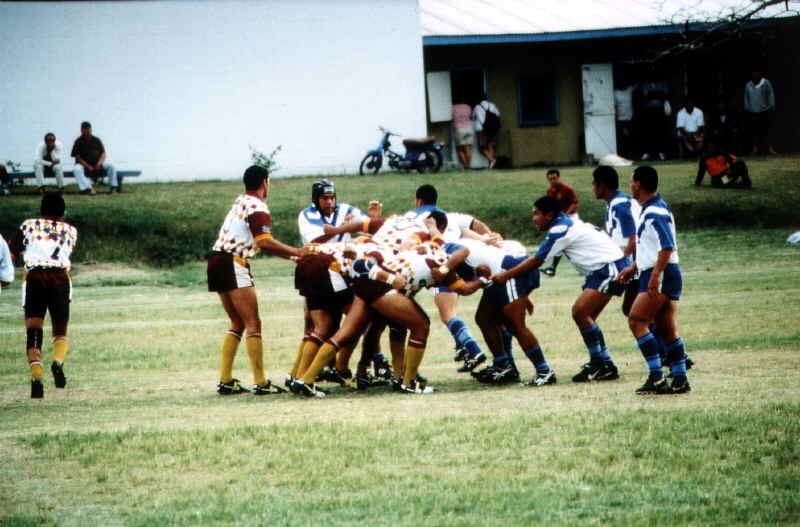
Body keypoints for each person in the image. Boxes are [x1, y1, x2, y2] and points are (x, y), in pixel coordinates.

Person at [494, 194, 631, 383]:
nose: (533, 218)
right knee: (586, 317)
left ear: (549, 215)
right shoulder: (565, 223)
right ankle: (604, 363)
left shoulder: (560, 228)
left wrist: (506, 275)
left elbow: (536, 260)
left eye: (536, 213)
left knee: (580, 312)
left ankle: (600, 363)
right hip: (607, 267)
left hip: (609, 268)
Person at [207, 165, 306, 395]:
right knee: (253, 324)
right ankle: (261, 382)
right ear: (265, 182)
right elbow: (265, 241)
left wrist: (292, 256)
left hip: (216, 260)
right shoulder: (257, 206)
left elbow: (260, 240)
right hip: (233, 262)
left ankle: (225, 380)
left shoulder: (240, 201)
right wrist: (297, 252)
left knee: (237, 322)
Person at [618, 165, 691, 395]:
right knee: (666, 329)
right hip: (660, 271)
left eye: (632, 181)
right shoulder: (651, 208)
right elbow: (651, 246)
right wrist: (633, 267)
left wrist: (656, 275)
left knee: (636, 320)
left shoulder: (654, 212)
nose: (630, 185)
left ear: (638, 184)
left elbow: (667, 246)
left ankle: (657, 376)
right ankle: (680, 378)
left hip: (661, 273)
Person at [7, 193, 78, 399]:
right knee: (60, 330)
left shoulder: (28, 225)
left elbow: (11, 253)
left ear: (42, 209)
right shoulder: (71, 230)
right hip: (60, 278)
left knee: (34, 330)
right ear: (63, 211)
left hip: (35, 277)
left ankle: (37, 377)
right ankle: (58, 362)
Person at [541, 169, 578, 277]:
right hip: (559, 219)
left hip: (571, 218)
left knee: (572, 241)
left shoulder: (566, 189)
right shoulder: (549, 191)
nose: (553, 181)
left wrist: (566, 215)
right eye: (550, 179)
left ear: (558, 177)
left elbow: (574, 203)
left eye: (554, 178)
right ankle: (552, 267)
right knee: (558, 241)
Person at [71, 121, 118, 195]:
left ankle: (113, 188)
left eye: (89, 130)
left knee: (111, 166)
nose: (87, 132)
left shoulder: (97, 140)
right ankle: (88, 188)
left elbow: (103, 154)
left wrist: (99, 164)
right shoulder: (78, 141)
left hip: (97, 164)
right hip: (84, 166)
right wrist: (87, 166)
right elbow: (77, 158)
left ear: (91, 129)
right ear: (81, 130)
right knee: (76, 169)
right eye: (85, 130)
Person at [635, 73, 670, 161]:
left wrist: (652, 94)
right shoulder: (644, 85)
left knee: (660, 133)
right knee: (648, 133)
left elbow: (665, 94)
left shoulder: (662, 84)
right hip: (647, 113)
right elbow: (644, 94)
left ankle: (661, 153)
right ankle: (647, 153)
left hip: (660, 113)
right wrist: (658, 94)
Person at [743, 68, 776, 155]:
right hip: (752, 112)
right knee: (754, 131)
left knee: (766, 130)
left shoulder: (766, 82)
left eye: (756, 72)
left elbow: (770, 95)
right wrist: (747, 108)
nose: (755, 74)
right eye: (753, 73)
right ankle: (755, 148)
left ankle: (769, 148)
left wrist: (771, 106)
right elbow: (746, 98)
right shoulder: (748, 85)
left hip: (764, 110)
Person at [472, 95, 501, 169]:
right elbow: (498, 114)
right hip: (492, 128)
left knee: (482, 147)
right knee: (490, 145)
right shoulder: (492, 105)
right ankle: (491, 164)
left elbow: (473, 116)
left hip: (481, 129)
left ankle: (492, 160)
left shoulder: (477, 107)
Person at [614, 79, 636, 159]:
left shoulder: (629, 90)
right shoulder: (615, 93)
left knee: (631, 138)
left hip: (630, 118)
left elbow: (636, 85)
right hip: (621, 119)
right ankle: (622, 155)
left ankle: (631, 155)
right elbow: (615, 107)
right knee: (622, 139)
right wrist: (616, 119)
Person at [452, 102, 474, 170]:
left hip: (459, 129)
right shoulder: (468, 107)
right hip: (469, 128)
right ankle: (469, 166)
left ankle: (466, 166)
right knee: (467, 149)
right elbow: (471, 116)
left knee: (460, 149)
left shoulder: (453, 107)